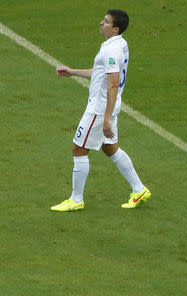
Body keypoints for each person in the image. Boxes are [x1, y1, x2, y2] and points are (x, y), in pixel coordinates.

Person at [50, 10, 151, 211]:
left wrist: (105, 118)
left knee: (79, 148)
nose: (101, 23)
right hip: (110, 105)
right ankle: (139, 189)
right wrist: (73, 72)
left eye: (106, 22)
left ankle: (76, 200)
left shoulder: (110, 50)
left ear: (115, 28)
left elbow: (113, 83)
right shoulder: (120, 44)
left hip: (99, 108)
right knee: (109, 147)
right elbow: (101, 74)